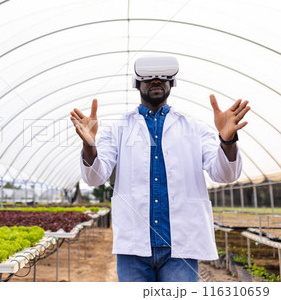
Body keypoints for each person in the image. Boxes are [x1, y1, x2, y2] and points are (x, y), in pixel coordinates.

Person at [69, 55, 250, 282]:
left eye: (163, 78)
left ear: (171, 83)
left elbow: (225, 173)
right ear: (137, 84)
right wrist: (89, 144)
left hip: (180, 247)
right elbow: (95, 176)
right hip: (133, 248)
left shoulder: (194, 128)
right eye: (149, 78)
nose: (156, 81)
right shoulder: (118, 129)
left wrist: (228, 140)